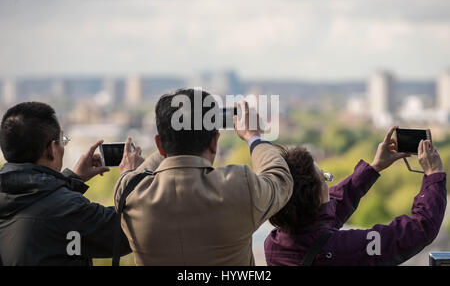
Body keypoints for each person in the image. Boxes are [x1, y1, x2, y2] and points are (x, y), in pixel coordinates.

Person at [114, 88, 293, 265]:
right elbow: (279, 178)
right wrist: (254, 137)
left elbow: (130, 178)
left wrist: (171, 142)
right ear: (214, 142)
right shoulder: (238, 188)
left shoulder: (129, 194)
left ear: (159, 145)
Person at [265, 126, 447, 266]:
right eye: (325, 178)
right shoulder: (341, 249)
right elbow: (418, 230)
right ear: (314, 198)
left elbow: (331, 210)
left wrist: (374, 167)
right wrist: (433, 176)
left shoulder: (273, 244)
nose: (329, 185)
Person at [0, 102, 143, 265]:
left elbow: (40, 204)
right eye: (63, 141)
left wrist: (72, 180)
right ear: (51, 150)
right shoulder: (66, 209)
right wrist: (131, 177)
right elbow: (130, 231)